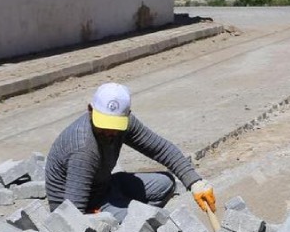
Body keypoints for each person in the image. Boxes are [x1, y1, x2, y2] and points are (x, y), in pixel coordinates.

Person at [45, 82, 216, 221]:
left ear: (127, 116)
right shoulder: (83, 148)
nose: (109, 132)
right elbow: (71, 215)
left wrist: (195, 182)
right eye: (103, 125)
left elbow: (160, 148)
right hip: (82, 205)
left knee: (165, 184)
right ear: (90, 110)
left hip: (105, 186)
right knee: (150, 222)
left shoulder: (125, 123)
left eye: (114, 126)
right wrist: (96, 221)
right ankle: (121, 228)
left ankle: (126, 213)